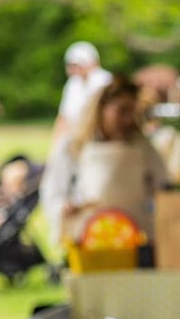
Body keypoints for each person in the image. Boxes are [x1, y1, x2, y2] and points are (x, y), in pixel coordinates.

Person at [50, 75, 169, 245]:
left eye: (132, 112)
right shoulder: (74, 145)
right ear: (101, 108)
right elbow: (54, 191)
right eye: (122, 111)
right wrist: (66, 208)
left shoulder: (143, 146)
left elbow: (162, 184)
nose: (128, 120)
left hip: (135, 238)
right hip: (90, 240)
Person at [41, 41, 114, 244]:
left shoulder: (103, 82)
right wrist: (55, 147)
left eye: (78, 64)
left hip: (95, 147)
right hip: (73, 145)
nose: (74, 69)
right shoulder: (72, 85)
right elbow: (64, 118)